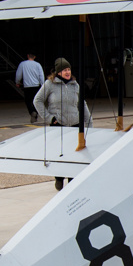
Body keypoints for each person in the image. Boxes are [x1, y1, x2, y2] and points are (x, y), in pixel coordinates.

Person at [34, 58, 92, 190]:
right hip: (58, 125)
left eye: (69, 69)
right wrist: (49, 117)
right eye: (64, 70)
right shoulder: (50, 84)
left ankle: (72, 181)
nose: (67, 72)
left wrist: (89, 123)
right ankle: (59, 178)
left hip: (74, 125)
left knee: (74, 154)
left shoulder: (75, 85)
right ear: (58, 72)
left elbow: (82, 104)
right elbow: (37, 101)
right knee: (60, 153)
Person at [15, 52, 45, 123]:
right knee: (36, 101)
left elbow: (18, 74)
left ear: (27, 56)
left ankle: (31, 112)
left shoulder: (22, 64)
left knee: (28, 101)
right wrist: (43, 84)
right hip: (36, 86)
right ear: (34, 57)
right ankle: (35, 113)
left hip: (27, 86)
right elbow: (41, 75)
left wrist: (18, 82)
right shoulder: (38, 64)